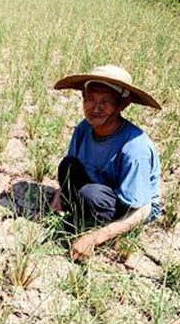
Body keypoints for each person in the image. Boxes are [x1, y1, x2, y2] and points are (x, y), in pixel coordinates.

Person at [49, 65, 163, 261]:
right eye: (90, 100)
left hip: (130, 206)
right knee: (67, 165)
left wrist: (94, 238)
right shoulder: (84, 128)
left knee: (90, 195)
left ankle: (105, 229)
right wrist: (57, 199)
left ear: (122, 105)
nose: (95, 108)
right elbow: (71, 169)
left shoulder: (135, 148)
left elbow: (143, 209)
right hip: (100, 188)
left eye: (105, 102)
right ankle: (85, 211)